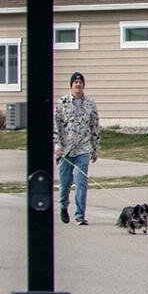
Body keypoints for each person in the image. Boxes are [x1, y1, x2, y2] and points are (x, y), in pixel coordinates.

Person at [55, 71, 100, 227]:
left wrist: (95, 149)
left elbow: (94, 127)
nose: (78, 85)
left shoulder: (90, 104)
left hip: (83, 149)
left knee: (81, 183)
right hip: (66, 150)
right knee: (65, 183)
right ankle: (63, 206)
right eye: (75, 82)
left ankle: (80, 215)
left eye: (80, 82)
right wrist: (58, 145)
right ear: (71, 85)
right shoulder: (62, 103)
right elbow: (56, 125)